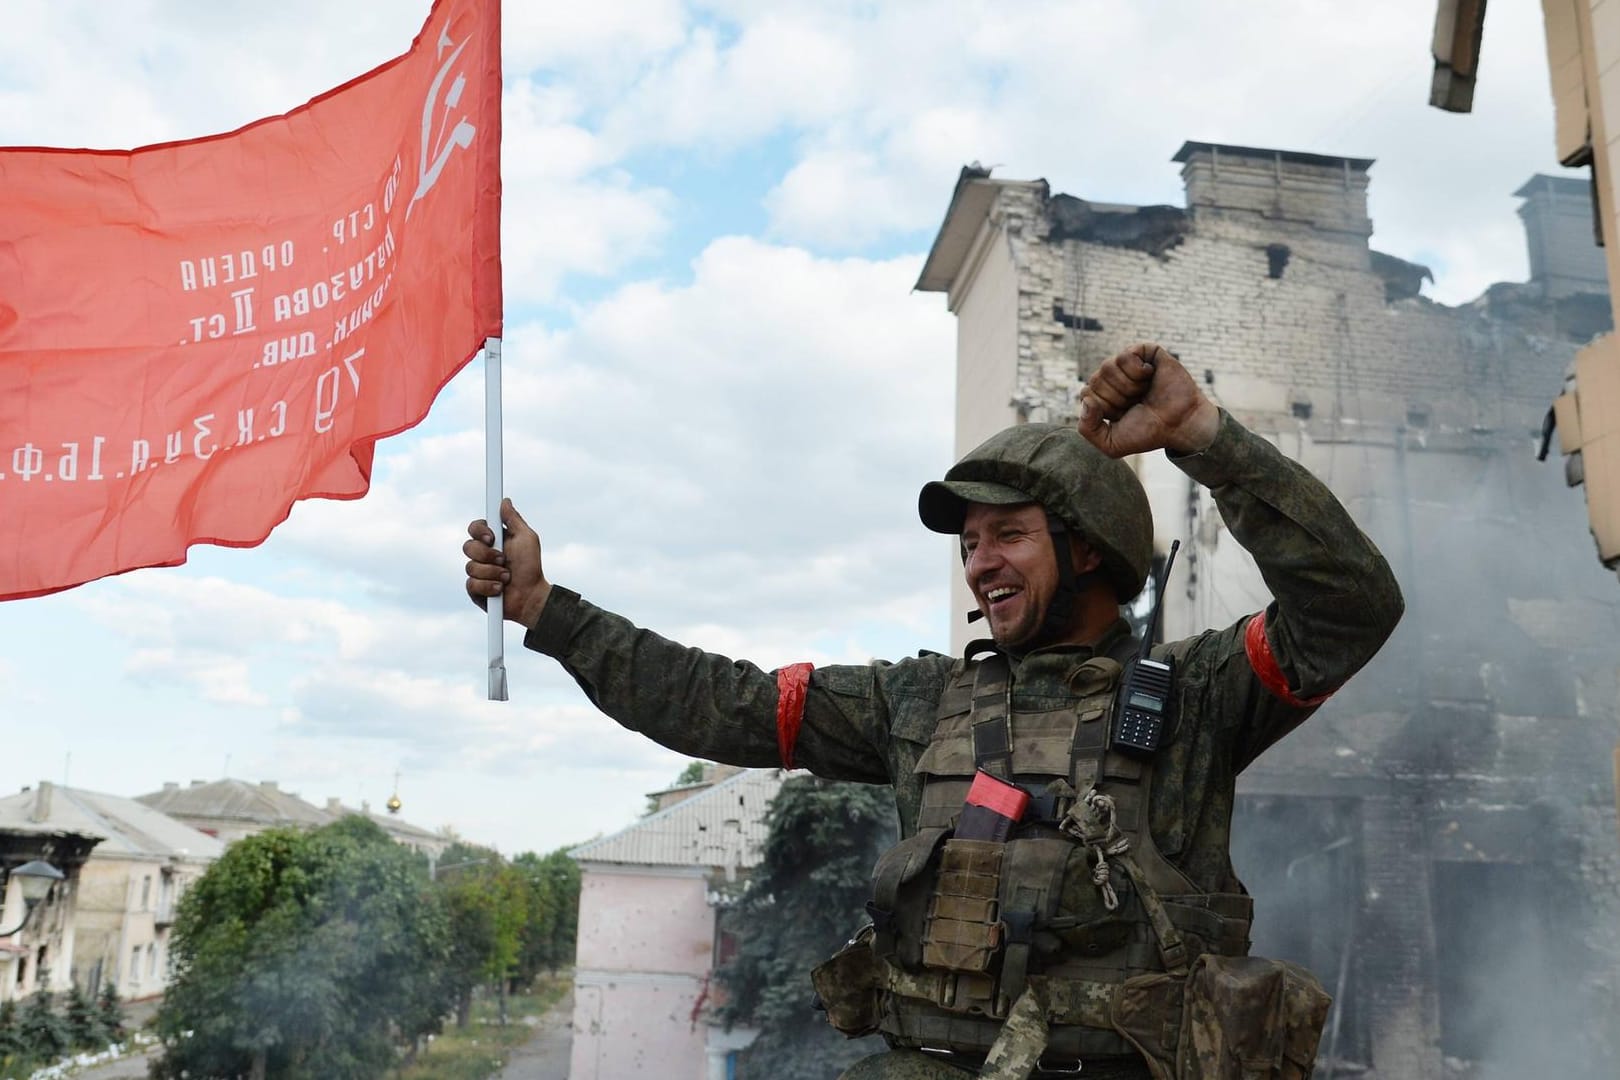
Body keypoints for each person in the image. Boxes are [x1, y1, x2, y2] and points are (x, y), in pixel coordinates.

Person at [463, 343, 1403, 1079]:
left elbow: (1351, 606)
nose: (980, 562)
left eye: (1009, 535)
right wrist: (551, 612)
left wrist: (1202, 433)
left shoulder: (1195, 695)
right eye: (970, 542)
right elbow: (725, 703)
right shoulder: (917, 702)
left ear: (1086, 550)